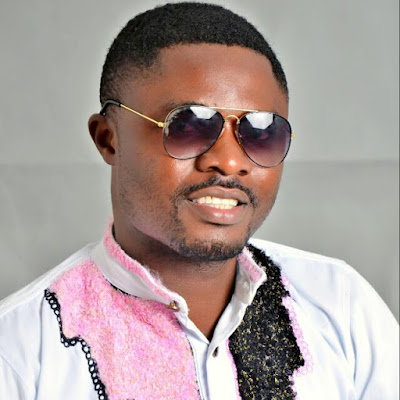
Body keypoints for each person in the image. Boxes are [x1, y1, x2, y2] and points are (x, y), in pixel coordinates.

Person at [0, 2, 398, 399]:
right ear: (108, 138)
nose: (229, 161)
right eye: (188, 126)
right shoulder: (21, 350)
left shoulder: (340, 305)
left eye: (261, 133)